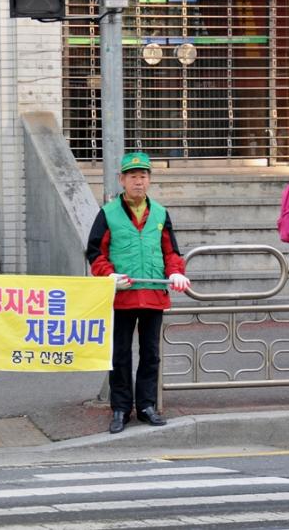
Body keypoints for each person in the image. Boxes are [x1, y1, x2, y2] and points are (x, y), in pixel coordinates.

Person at [86, 152, 191, 434]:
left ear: (149, 180)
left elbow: (171, 250)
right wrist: (109, 274)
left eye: (143, 176)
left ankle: (146, 405)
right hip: (122, 295)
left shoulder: (159, 213)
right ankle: (120, 407)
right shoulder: (107, 213)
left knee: (151, 353)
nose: (138, 181)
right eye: (133, 176)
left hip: (153, 293)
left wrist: (175, 272)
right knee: (119, 354)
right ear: (122, 180)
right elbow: (95, 251)